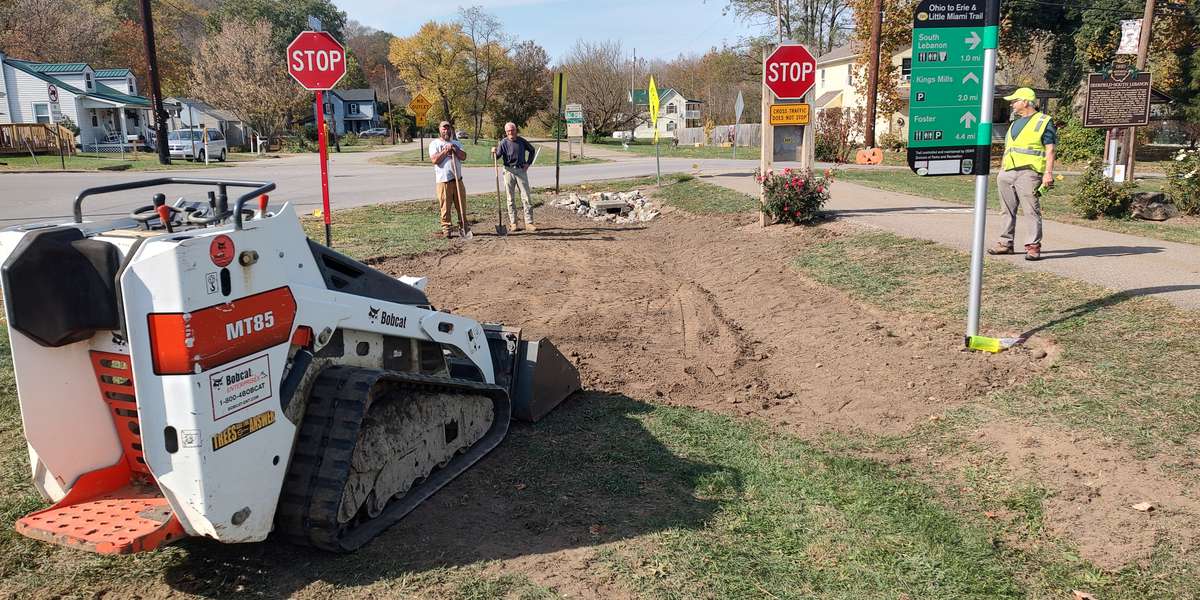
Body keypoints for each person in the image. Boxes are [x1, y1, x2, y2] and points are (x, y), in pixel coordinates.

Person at [989, 87, 1056, 261]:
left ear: (1025, 102)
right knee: (1006, 211)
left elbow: (1050, 150)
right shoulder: (1014, 124)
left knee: (1031, 210)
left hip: (1028, 172)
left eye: (1015, 100)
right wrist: (1002, 170)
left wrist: (1048, 173)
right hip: (1007, 172)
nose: (1012, 104)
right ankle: (1005, 244)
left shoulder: (1044, 121)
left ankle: (1033, 247)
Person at [491, 122, 537, 232]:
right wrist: (494, 152)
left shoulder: (521, 141)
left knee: (526, 197)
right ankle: (513, 223)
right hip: (508, 171)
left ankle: (529, 222)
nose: (511, 133)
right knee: (510, 199)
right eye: (508, 131)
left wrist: (528, 163)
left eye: (512, 130)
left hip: (521, 170)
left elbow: (532, 150)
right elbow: (497, 157)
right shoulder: (503, 143)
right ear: (506, 132)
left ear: (516, 130)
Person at [429, 121, 468, 238]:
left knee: (461, 204)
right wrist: (446, 151)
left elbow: (464, 156)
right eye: (444, 128)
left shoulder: (456, 143)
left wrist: (455, 149)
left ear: (451, 130)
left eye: (448, 128)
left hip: (458, 180)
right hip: (443, 181)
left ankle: (464, 226)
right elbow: (435, 160)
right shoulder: (434, 144)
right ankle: (446, 228)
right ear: (440, 130)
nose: (446, 130)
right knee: (445, 207)